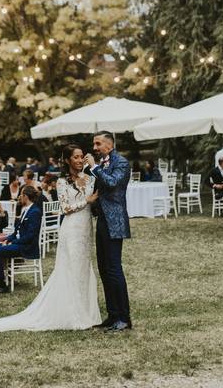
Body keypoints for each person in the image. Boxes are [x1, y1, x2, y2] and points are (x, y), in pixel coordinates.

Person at [0, 144, 102, 335]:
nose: (80, 160)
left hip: (85, 229)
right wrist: (87, 201)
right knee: (70, 268)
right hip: (71, 229)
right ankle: (73, 313)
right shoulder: (62, 182)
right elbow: (65, 208)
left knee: (83, 268)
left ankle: (87, 311)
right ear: (67, 160)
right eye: (76, 157)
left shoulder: (90, 177)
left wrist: (94, 169)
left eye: (82, 156)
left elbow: (99, 190)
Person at [86, 131, 132, 332]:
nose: (94, 148)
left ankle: (124, 318)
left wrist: (94, 167)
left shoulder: (121, 162)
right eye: (94, 144)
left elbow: (112, 183)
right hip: (102, 220)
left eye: (98, 144)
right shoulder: (102, 163)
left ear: (109, 144)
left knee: (114, 269)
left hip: (115, 221)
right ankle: (112, 316)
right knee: (104, 268)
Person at [0, 186, 43, 293]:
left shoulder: (35, 211)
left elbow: (30, 236)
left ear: (26, 196)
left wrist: (12, 242)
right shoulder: (26, 209)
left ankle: (1, 284)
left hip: (26, 246)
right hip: (19, 242)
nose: (20, 197)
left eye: (21, 195)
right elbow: (16, 231)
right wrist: (8, 239)